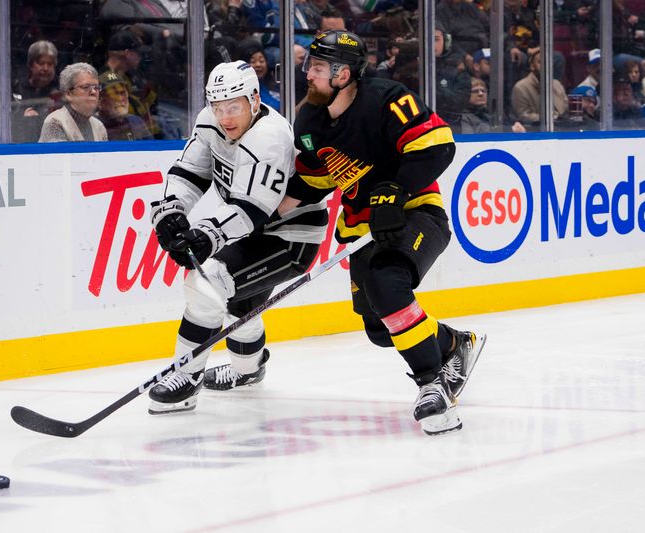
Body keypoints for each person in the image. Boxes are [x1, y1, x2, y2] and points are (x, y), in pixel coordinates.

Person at [283, 30, 487, 436]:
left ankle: (433, 387)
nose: (309, 74)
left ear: (343, 74)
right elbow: (312, 183)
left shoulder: (386, 98)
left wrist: (396, 190)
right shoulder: (308, 118)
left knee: (388, 281)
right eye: (310, 65)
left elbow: (438, 147)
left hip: (415, 213)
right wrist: (262, 216)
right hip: (359, 230)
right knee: (380, 327)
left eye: (319, 67)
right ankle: (451, 344)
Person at [147, 61, 328, 414]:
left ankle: (186, 378)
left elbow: (252, 208)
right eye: (218, 107)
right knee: (236, 303)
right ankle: (247, 371)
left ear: (254, 100)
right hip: (253, 230)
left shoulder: (270, 136)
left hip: (292, 236)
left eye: (233, 107)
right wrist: (170, 211)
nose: (225, 117)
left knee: (208, 282)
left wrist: (208, 236)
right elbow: (189, 172)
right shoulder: (210, 122)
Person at [39, 63, 107, 142]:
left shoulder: (99, 126)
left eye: (96, 87)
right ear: (68, 94)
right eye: (85, 87)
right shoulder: (55, 122)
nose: (93, 92)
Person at [12, 40, 60, 143]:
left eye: (50, 64)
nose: (46, 68)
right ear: (30, 64)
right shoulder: (16, 87)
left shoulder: (60, 90)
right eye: (41, 63)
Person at [511, 49, 569, 127]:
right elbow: (523, 116)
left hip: (562, 131)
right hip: (533, 133)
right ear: (532, 66)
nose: (546, 65)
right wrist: (553, 118)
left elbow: (565, 109)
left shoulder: (557, 84)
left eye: (549, 62)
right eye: (541, 62)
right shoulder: (521, 87)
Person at [97, 71, 153, 141]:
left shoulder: (136, 122)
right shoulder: (92, 126)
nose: (120, 99)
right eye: (114, 94)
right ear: (99, 100)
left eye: (122, 92)